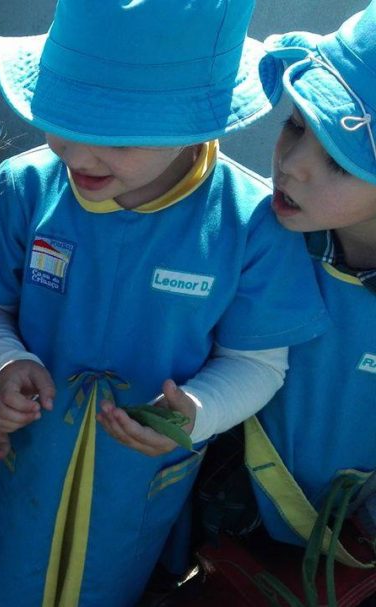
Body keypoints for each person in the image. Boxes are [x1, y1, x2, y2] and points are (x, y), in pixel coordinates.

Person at [0, 1, 331, 605]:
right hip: (25, 463)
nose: (78, 152)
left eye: (119, 136)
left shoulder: (249, 225)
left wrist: (199, 412)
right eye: (63, 119)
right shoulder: (26, 188)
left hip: (138, 485)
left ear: (199, 124)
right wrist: (0, 361)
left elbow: (259, 361)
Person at [188, 6, 376, 605]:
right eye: (296, 125)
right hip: (229, 529)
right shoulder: (249, 232)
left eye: (340, 160)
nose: (290, 164)